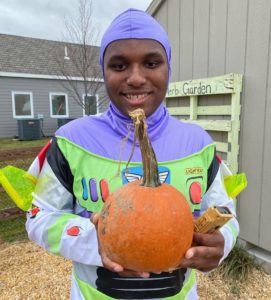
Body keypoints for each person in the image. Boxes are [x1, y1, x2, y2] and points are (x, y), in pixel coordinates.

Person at [26, 8, 239, 300]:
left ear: (169, 67)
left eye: (151, 62)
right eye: (119, 65)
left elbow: (227, 213)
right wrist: (97, 241)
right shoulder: (71, 141)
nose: (136, 78)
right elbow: (38, 217)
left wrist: (221, 244)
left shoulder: (198, 143)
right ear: (104, 71)